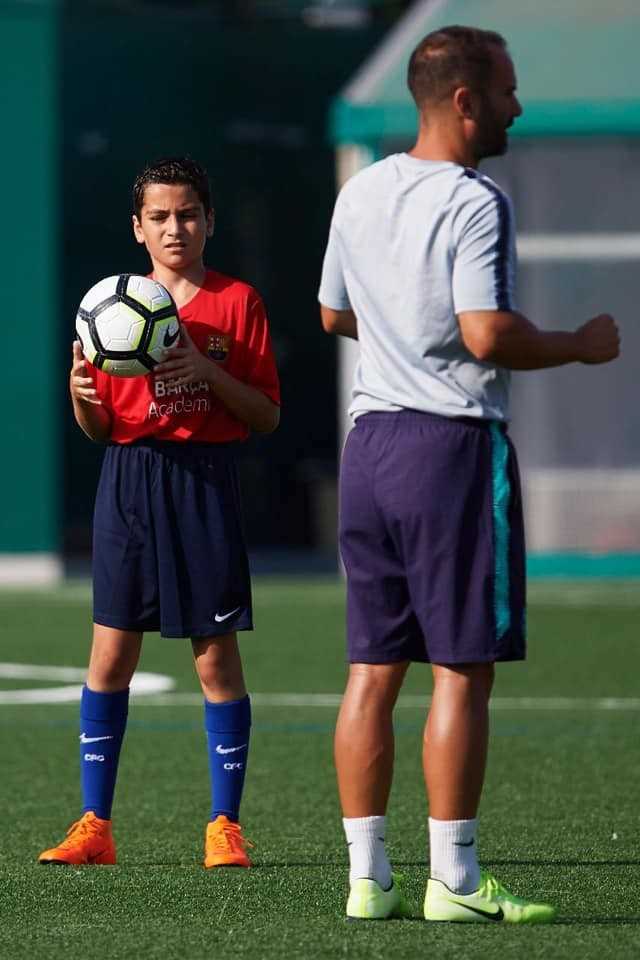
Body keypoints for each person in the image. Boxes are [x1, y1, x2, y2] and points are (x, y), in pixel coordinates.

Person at [318, 26, 619, 923]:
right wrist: (579, 346)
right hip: (448, 449)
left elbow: (334, 312)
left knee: (371, 671)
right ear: (464, 100)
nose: (516, 106)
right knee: (461, 669)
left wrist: (403, 346)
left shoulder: (361, 189)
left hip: (368, 449)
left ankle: (367, 881)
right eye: (507, 90)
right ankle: (454, 879)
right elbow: (485, 332)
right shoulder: (476, 199)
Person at [39, 157, 280, 869]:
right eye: (161, 217)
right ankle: (94, 826)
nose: (175, 227)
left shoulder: (238, 302)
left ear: (210, 220)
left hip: (204, 481)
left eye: (188, 214)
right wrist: (81, 392)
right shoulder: (109, 304)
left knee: (216, 663)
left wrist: (209, 373)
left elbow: (266, 416)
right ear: (138, 228)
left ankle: (224, 826)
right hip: (130, 480)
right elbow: (100, 430)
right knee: (110, 656)